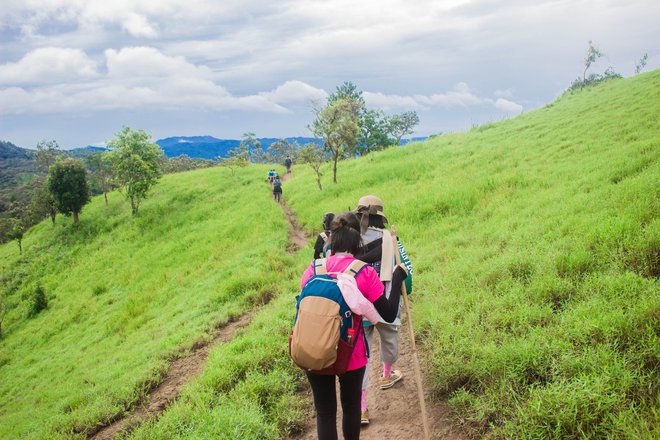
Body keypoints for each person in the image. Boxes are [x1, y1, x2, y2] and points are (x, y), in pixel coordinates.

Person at [300, 211, 408, 440]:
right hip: (351, 352)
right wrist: (398, 277)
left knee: (325, 413)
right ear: (356, 242)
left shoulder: (314, 268)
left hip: (314, 349)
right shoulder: (363, 272)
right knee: (350, 409)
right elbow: (387, 314)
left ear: (332, 240)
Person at [354, 195, 411, 426]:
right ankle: (387, 375)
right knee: (389, 339)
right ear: (381, 217)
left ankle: (362, 407)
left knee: (361, 353)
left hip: (359, 303)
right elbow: (405, 266)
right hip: (385, 301)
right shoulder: (390, 238)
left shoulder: (351, 240)